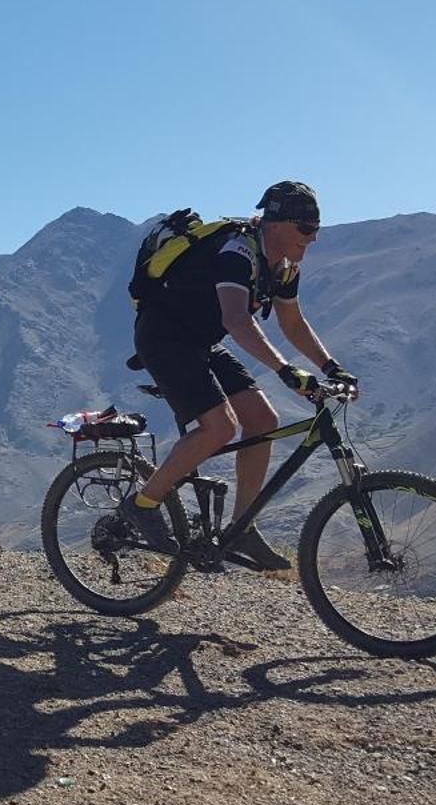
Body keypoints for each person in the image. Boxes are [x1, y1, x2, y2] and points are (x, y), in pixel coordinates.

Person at [121, 181, 357, 570]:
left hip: (201, 342)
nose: (312, 239)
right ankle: (143, 504)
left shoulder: (283, 265)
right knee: (219, 428)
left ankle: (242, 527)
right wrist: (285, 370)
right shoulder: (238, 252)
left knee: (264, 420)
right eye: (306, 228)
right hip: (164, 338)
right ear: (277, 223)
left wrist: (331, 367)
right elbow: (236, 319)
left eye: (317, 229)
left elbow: (293, 322)